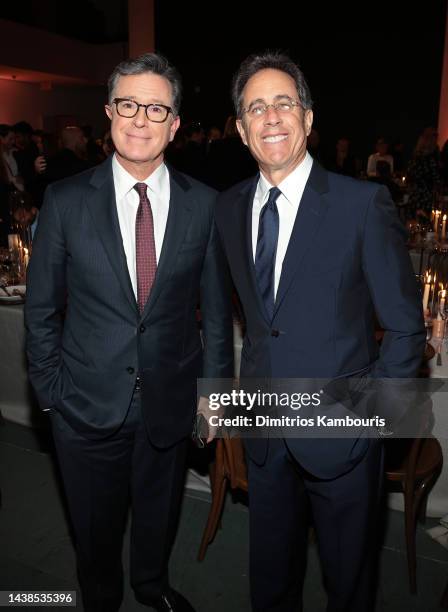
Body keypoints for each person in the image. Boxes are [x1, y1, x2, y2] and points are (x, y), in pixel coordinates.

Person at [214, 51, 425, 612]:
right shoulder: (230, 209)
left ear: (309, 117)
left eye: (284, 102)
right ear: (241, 130)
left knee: (348, 586)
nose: (271, 117)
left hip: (344, 437)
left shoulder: (362, 204)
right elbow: (247, 323)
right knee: (270, 580)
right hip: (264, 431)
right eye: (256, 108)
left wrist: (369, 421)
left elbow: (406, 329)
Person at [25, 52, 233, 612]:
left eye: (156, 108)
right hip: (83, 405)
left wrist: (214, 398)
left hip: (169, 401)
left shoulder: (207, 206)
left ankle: (151, 584)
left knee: (160, 515)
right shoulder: (65, 201)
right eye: (128, 104)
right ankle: (101, 597)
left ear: (175, 124)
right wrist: (51, 395)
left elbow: (215, 316)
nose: (141, 119)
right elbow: (41, 310)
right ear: (109, 112)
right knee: (93, 529)